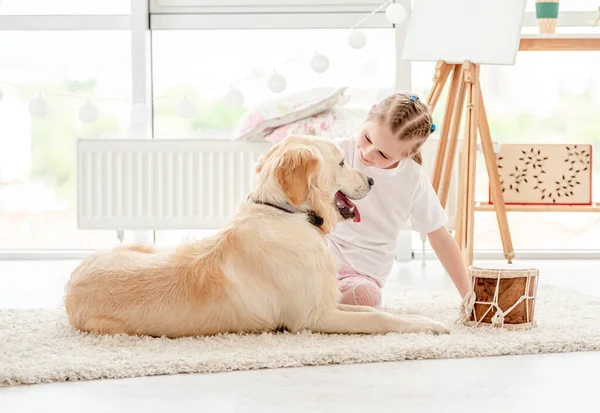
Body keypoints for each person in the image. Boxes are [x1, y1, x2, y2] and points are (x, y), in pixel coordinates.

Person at [326, 92, 471, 307]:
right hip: (320, 253)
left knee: (366, 298)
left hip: (362, 273)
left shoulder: (413, 179)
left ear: (407, 154)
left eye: (384, 155)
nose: (367, 153)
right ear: (368, 116)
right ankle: (307, 296)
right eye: (367, 138)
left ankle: (314, 300)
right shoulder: (337, 151)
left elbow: (440, 236)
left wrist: (468, 296)